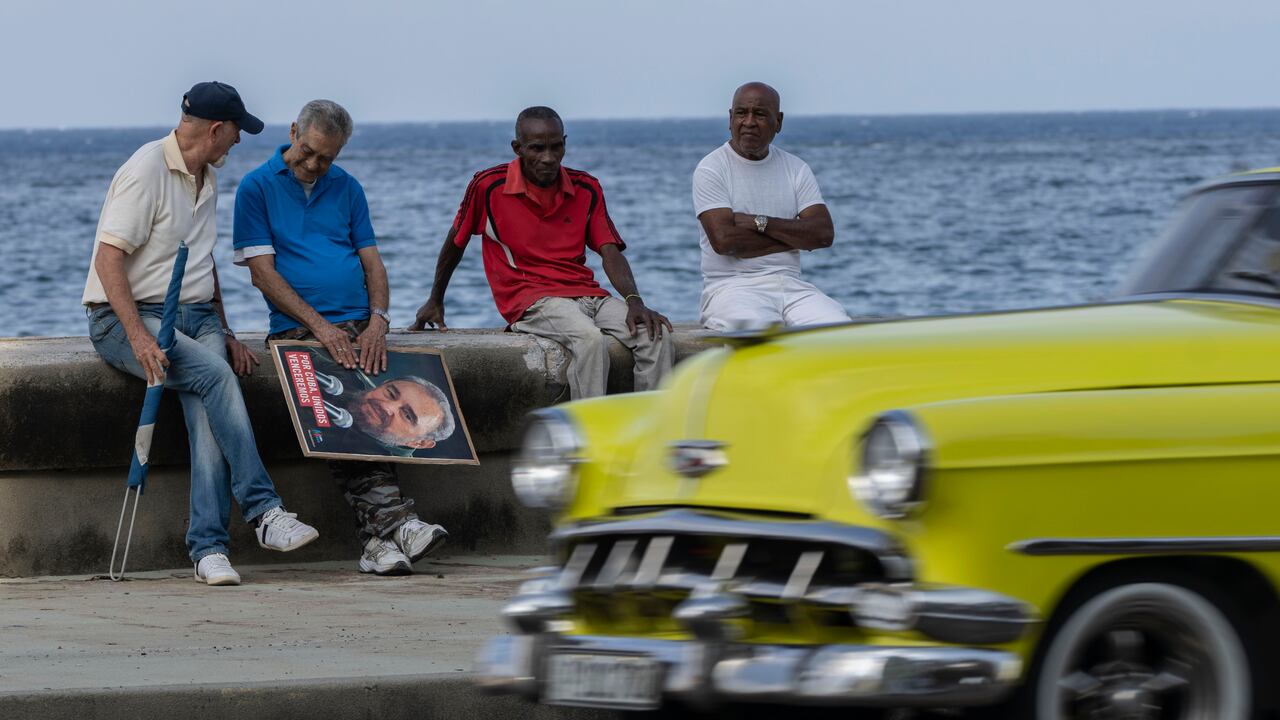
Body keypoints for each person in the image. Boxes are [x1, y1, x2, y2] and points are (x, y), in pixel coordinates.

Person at [83, 81, 319, 587]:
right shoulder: (146, 170)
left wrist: (227, 327)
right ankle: (264, 511)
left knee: (207, 409)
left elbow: (202, 259)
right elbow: (107, 260)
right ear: (216, 129)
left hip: (196, 316)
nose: (239, 142)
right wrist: (140, 338)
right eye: (236, 132)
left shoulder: (206, 174)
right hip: (127, 318)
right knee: (213, 377)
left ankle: (208, 549)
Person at [233, 99, 447, 576]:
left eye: (325, 158)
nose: (313, 165)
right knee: (347, 410)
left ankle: (379, 542)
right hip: (297, 329)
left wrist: (379, 320)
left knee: (378, 416)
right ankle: (399, 524)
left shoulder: (347, 188)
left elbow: (372, 261)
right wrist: (322, 328)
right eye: (307, 151)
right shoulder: (255, 188)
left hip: (356, 325)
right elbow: (263, 276)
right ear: (293, 132)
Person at [412, 106, 673, 400]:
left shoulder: (586, 187)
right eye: (537, 148)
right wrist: (436, 298)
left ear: (564, 143)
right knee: (589, 340)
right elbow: (455, 243)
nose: (548, 158)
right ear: (518, 148)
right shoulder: (488, 186)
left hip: (588, 295)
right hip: (531, 299)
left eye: (556, 147)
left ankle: (652, 433)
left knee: (655, 335)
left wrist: (634, 301)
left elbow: (609, 251)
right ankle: (587, 438)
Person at [693, 82, 850, 331]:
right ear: (730, 118)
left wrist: (759, 222)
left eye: (760, 114)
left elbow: (822, 235)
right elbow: (725, 242)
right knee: (758, 328)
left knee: (837, 328)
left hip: (792, 286)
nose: (749, 122)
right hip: (732, 288)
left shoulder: (796, 168)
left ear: (779, 121)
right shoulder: (712, 168)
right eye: (742, 113)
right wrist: (797, 237)